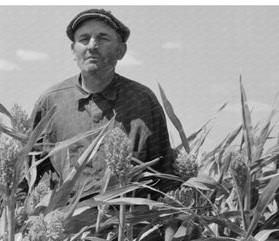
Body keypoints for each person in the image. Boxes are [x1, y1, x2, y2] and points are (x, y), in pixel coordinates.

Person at [30, 9, 178, 198]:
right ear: (73, 50)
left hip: (130, 223)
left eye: (103, 38)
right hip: (68, 224)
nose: (92, 46)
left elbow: (165, 176)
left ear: (121, 51)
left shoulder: (142, 100)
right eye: (84, 39)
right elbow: (28, 176)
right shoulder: (51, 102)